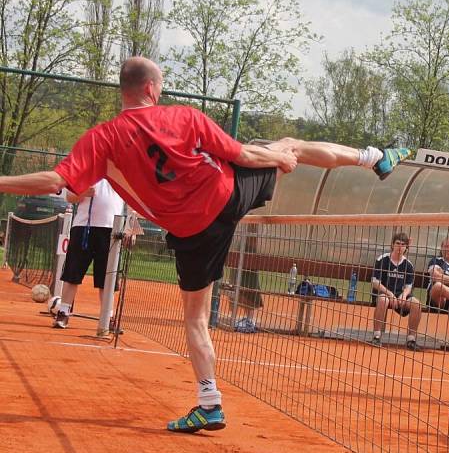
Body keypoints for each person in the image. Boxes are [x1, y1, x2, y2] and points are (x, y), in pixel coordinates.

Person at [0, 56, 411, 433]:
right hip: (225, 195)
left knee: (195, 319)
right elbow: (242, 155)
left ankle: (210, 401)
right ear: (153, 90)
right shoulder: (182, 116)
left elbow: (56, 182)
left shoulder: (102, 137)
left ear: (124, 91)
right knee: (290, 144)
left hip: (192, 232)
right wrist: (279, 159)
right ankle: (373, 157)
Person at [53, 179, 126, 329]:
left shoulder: (122, 172)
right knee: (72, 273)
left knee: (107, 278)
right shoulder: (87, 171)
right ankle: (63, 312)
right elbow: (70, 197)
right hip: (83, 227)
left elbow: (132, 202)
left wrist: (130, 226)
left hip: (112, 230)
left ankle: (108, 318)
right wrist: (83, 193)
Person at [370, 232, 422, 350]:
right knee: (383, 300)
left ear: (406, 247)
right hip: (383, 293)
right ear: (392, 245)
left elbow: (409, 285)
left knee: (416, 304)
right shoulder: (382, 260)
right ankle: (376, 336)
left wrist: (403, 295)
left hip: (399, 295)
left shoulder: (408, 265)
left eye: (403, 244)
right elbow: (375, 282)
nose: (400, 247)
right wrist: (390, 294)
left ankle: (411, 339)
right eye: (397, 243)